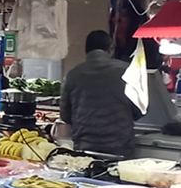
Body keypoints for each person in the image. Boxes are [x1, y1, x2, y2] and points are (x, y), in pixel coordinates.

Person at [60, 30, 140, 158]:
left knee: (87, 171)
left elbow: (65, 115)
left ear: (86, 50)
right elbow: (139, 110)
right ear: (111, 48)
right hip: (120, 145)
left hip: (85, 146)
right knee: (119, 171)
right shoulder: (127, 71)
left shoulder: (72, 75)